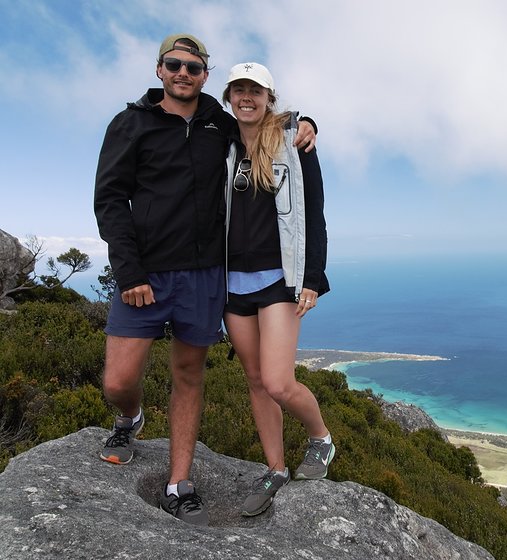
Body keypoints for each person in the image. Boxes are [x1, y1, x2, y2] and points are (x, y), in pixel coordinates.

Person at [93, 34, 317, 526]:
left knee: (189, 375)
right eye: (174, 64)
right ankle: (128, 418)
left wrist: (306, 124)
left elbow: (264, 121)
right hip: (143, 274)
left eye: (193, 68)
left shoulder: (219, 121)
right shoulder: (130, 123)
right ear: (159, 69)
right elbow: (109, 200)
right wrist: (129, 270)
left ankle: (179, 484)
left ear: (204, 77)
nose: (183, 73)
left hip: (203, 276)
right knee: (118, 380)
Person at [221, 62, 333, 516]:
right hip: (231, 283)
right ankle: (275, 469)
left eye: (256, 90)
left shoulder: (294, 143)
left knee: (278, 382)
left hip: (278, 280)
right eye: (239, 90)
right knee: (255, 381)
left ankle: (320, 439)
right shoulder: (221, 143)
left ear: (270, 98)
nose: (247, 97)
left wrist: (312, 280)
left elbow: (314, 214)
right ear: (229, 97)